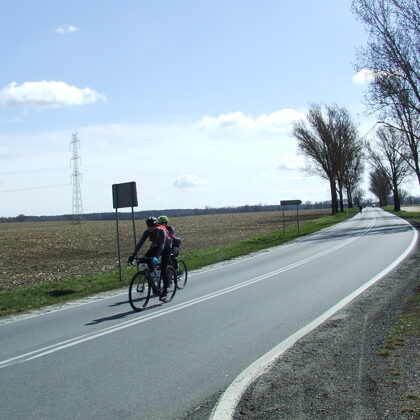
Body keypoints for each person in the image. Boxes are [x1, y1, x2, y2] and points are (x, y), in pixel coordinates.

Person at [127, 216, 171, 299]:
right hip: (156, 247)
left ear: (156, 225)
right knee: (145, 260)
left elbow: (162, 245)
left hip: (166, 248)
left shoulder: (161, 231)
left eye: (152, 226)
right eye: (149, 226)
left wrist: (156, 257)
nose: (150, 227)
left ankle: (165, 290)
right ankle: (154, 285)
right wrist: (133, 254)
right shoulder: (147, 232)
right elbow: (140, 243)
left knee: (163, 269)